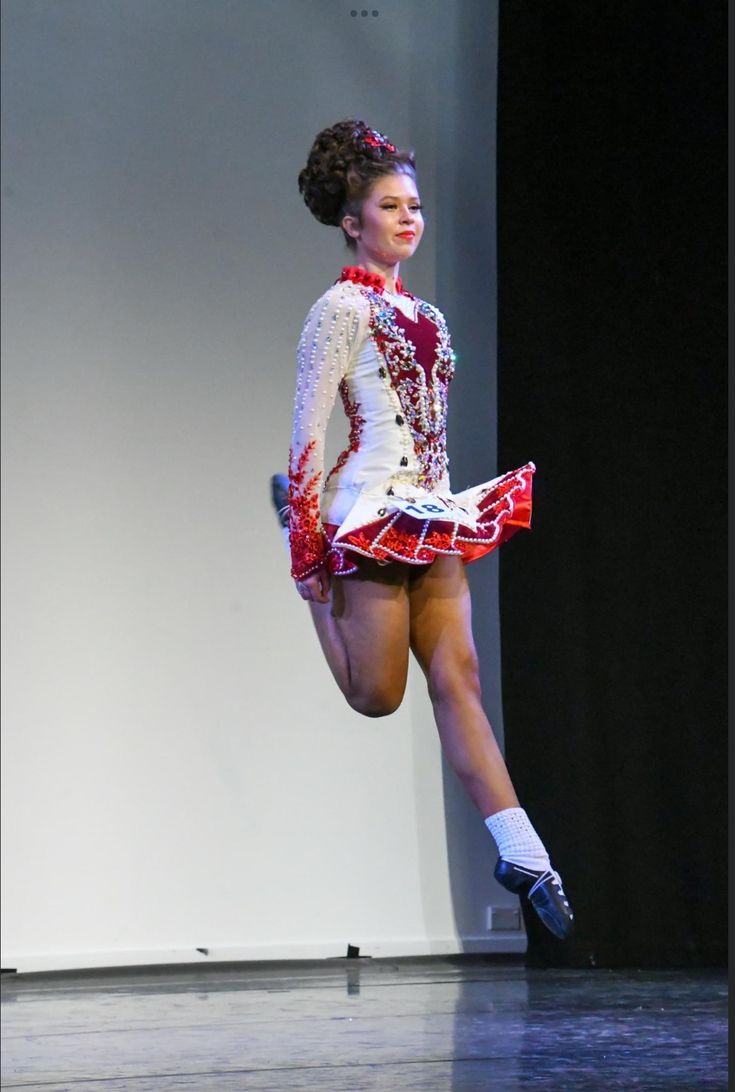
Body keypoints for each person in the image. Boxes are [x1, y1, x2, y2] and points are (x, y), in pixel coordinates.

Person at [271, 120, 573, 940]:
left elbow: (432, 430)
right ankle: (315, 600)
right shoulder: (337, 309)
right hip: (367, 513)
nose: (409, 219)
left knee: (459, 679)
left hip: (429, 510)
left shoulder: (429, 313)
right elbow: (306, 435)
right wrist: (305, 552)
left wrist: (444, 516)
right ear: (351, 218)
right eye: (390, 206)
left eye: (414, 206)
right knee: (377, 695)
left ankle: (525, 853)